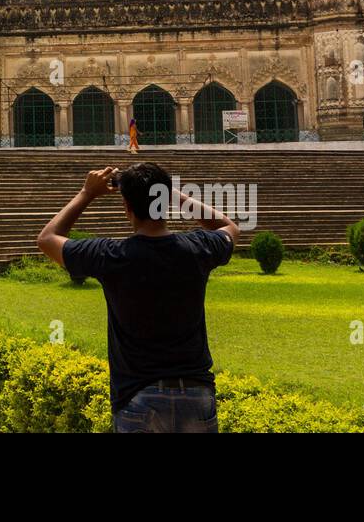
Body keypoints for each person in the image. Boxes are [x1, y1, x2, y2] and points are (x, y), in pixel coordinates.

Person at [37, 161, 238, 433]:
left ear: (126, 208)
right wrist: (171, 194)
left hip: (138, 397)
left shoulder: (111, 255)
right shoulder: (197, 248)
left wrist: (87, 193)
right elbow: (229, 228)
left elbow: (48, 238)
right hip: (195, 393)